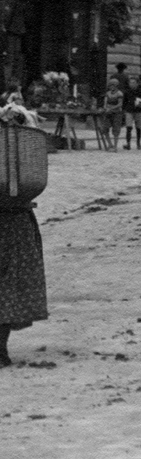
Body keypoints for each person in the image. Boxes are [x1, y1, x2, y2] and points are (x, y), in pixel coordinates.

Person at [0, 124, 48, 367]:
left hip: (13, 221)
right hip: (17, 220)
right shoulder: (20, 142)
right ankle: (1, 350)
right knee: (10, 285)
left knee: (7, 285)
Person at [125, 74, 141, 150]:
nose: (131, 84)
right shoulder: (127, 91)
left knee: (138, 127)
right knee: (129, 127)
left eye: (133, 82)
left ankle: (138, 142)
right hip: (129, 111)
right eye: (130, 82)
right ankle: (128, 144)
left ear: (137, 83)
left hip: (138, 111)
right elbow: (124, 101)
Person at [103, 77, 126, 147]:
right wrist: (105, 107)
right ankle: (110, 144)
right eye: (110, 86)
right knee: (105, 128)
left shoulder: (119, 93)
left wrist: (112, 108)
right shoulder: (108, 93)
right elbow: (105, 101)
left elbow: (120, 104)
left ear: (116, 86)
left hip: (117, 113)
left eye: (112, 85)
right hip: (108, 113)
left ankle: (115, 146)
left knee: (116, 129)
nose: (111, 87)